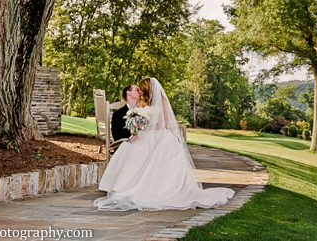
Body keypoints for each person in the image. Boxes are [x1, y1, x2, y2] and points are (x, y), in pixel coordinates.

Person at [94, 77, 235, 211]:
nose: (139, 91)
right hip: (146, 135)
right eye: (137, 89)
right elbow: (137, 125)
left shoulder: (160, 101)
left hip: (160, 135)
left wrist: (149, 125)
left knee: (147, 150)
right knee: (131, 149)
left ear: (147, 89)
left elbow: (166, 123)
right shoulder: (142, 103)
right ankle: (126, 186)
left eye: (141, 89)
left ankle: (156, 189)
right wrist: (139, 126)